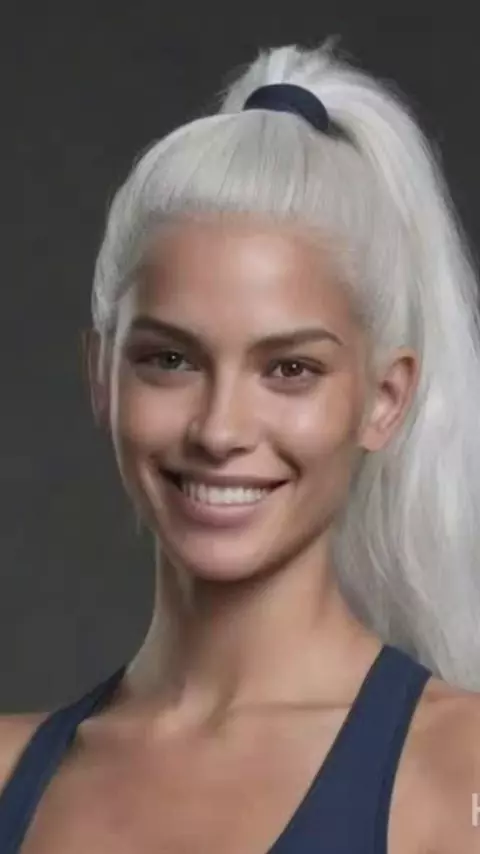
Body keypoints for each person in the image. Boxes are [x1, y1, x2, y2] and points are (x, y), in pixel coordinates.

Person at [0, 39, 479, 854]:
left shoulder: (464, 774)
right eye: (170, 360)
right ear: (102, 377)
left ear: (383, 400)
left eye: (289, 369)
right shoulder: (11, 775)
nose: (220, 430)